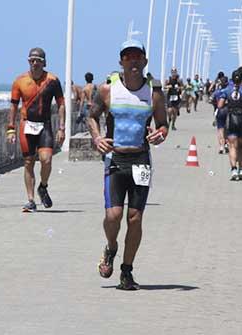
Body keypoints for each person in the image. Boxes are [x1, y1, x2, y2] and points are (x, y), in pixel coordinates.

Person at [87, 39, 168, 290]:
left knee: (135, 219)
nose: (133, 61)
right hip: (115, 158)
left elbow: (163, 123)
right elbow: (91, 116)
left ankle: (127, 271)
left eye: (137, 56)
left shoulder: (153, 93)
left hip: (141, 160)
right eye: (128, 56)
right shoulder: (107, 89)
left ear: (144, 61)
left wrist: (161, 133)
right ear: (121, 61)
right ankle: (111, 247)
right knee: (113, 215)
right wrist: (97, 137)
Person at [7, 47, 66, 212]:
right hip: (26, 124)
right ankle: (31, 200)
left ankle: (43, 186)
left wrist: (62, 128)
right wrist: (10, 128)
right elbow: (13, 106)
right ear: (28, 62)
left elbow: (61, 104)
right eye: (32, 60)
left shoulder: (53, 80)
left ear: (44, 62)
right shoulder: (20, 81)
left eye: (38, 61)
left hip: (44, 124)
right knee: (28, 162)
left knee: (46, 159)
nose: (35, 64)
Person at [218, 70, 242, 181]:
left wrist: (228, 103)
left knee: (232, 146)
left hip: (231, 119)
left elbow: (220, 105)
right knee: (241, 146)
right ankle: (240, 169)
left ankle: (233, 170)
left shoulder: (226, 90)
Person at [213, 76, 229, 154]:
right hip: (229, 111)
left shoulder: (217, 92)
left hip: (220, 111)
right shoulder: (229, 91)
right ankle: (226, 143)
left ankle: (221, 146)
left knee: (220, 129)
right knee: (227, 128)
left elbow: (212, 99)